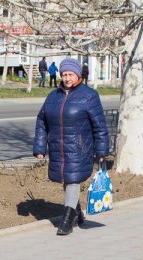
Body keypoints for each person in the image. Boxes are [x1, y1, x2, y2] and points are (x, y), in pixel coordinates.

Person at [33, 57, 110, 237]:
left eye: (71, 74)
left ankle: (67, 221)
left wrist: (102, 151)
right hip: (58, 147)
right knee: (66, 180)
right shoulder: (53, 96)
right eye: (64, 74)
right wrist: (39, 148)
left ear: (78, 75)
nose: (67, 78)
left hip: (79, 148)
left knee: (73, 180)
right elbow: (41, 121)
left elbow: (100, 126)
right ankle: (77, 212)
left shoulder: (89, 96)